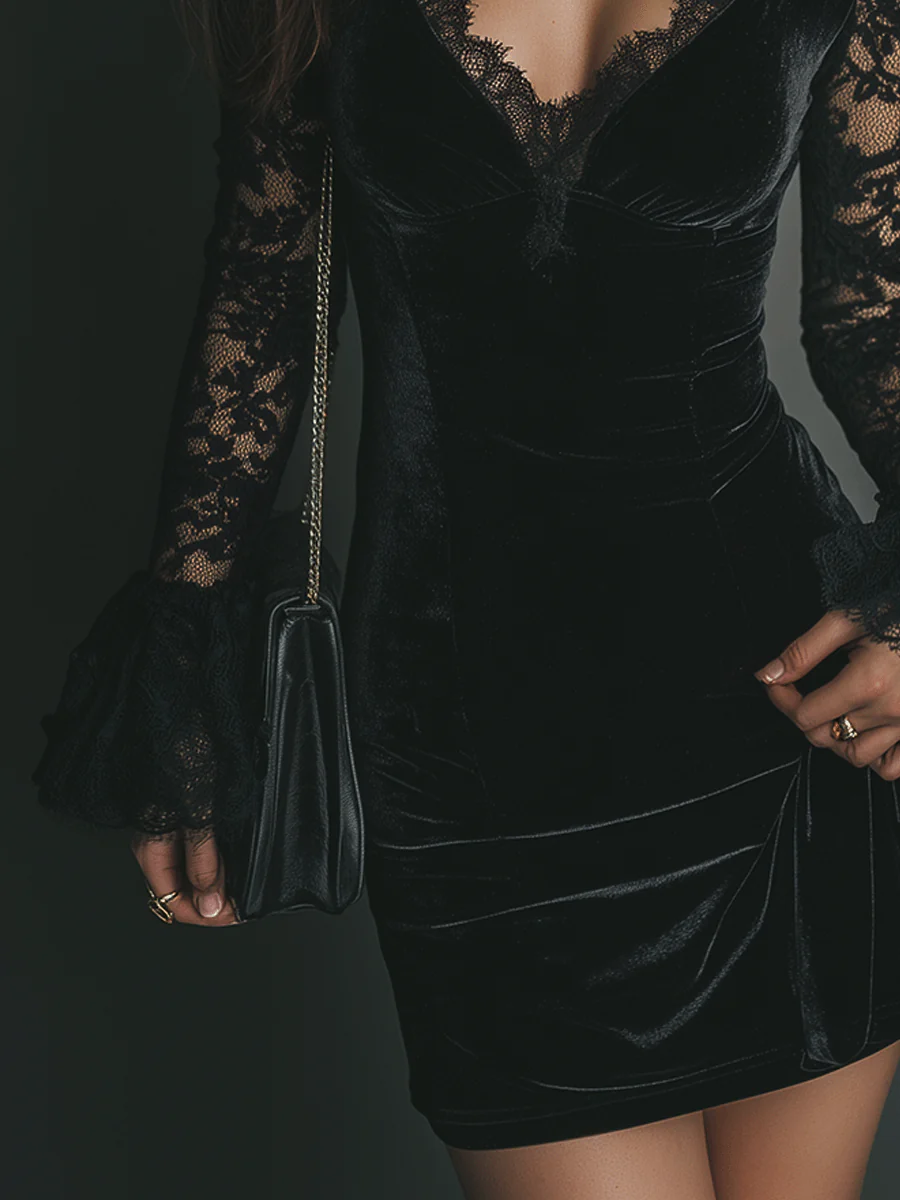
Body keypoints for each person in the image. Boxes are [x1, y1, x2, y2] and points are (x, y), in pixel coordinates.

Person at [30, 0, 900, 1193]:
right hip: (468, 741)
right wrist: (179, 696)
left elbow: (871, 319)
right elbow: (260, 302)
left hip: (781, 718)